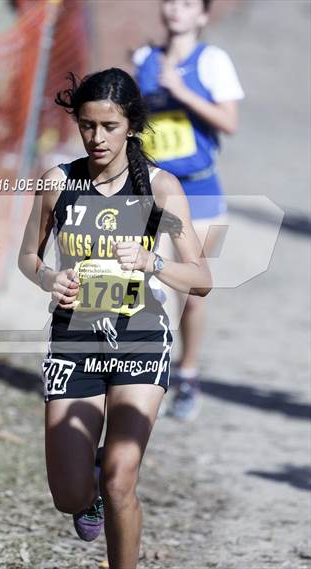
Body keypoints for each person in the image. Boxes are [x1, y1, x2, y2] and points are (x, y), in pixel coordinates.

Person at [18, 67, 211, 568]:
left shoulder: (161, 188)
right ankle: (91, 495)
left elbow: (203, 278)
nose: (97, 137)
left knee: (122, 475)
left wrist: (154, 262)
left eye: (109, 126)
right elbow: (29, 258)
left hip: (140, 340)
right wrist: (48, 280)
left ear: (131, 125)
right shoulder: (58, 183)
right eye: (87, 126)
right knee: (68, 495)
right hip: (74, 342)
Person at [132, 0, 244, 420]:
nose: (175, 9)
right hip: (151, 189)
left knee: (192, 290)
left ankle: (189, 375)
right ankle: (141, 374)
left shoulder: (212, 62)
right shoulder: (144, 58)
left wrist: (179, 92)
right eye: (170, 2)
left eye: (186, 4)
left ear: (202, 16)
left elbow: (229, 122)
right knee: (143, 286)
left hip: (199, 192)